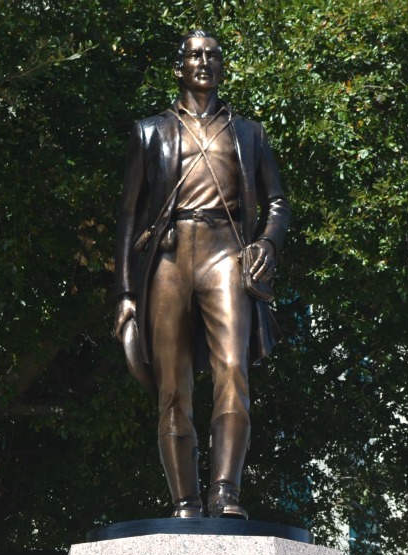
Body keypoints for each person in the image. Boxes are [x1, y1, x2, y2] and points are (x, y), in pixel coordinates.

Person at [114, 30, 290, 519]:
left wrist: (267, 243)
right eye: (195, 55)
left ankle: (226, 493)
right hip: (168, 258)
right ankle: (186, 502)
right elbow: (129, 218)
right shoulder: (150, 131)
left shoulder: (249, 133)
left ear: (222, 67)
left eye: (213, 56)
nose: (204, 63)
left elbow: (278, 203)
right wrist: (126, 293)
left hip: (225, 254)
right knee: (173, 383)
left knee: (233, 369)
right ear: (180, 66)